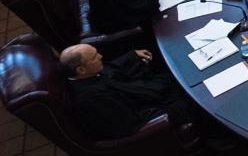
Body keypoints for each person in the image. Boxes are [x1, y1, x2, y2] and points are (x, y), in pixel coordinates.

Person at [61, 43, 195, 140]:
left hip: (140, 92)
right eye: (95, 57)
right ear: (81, 70)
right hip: (148, 109)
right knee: (189, 94)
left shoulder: (86, 76)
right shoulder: (91, 99)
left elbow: (109, 71)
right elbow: (125, 124)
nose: (101, 56)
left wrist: (132, 55)